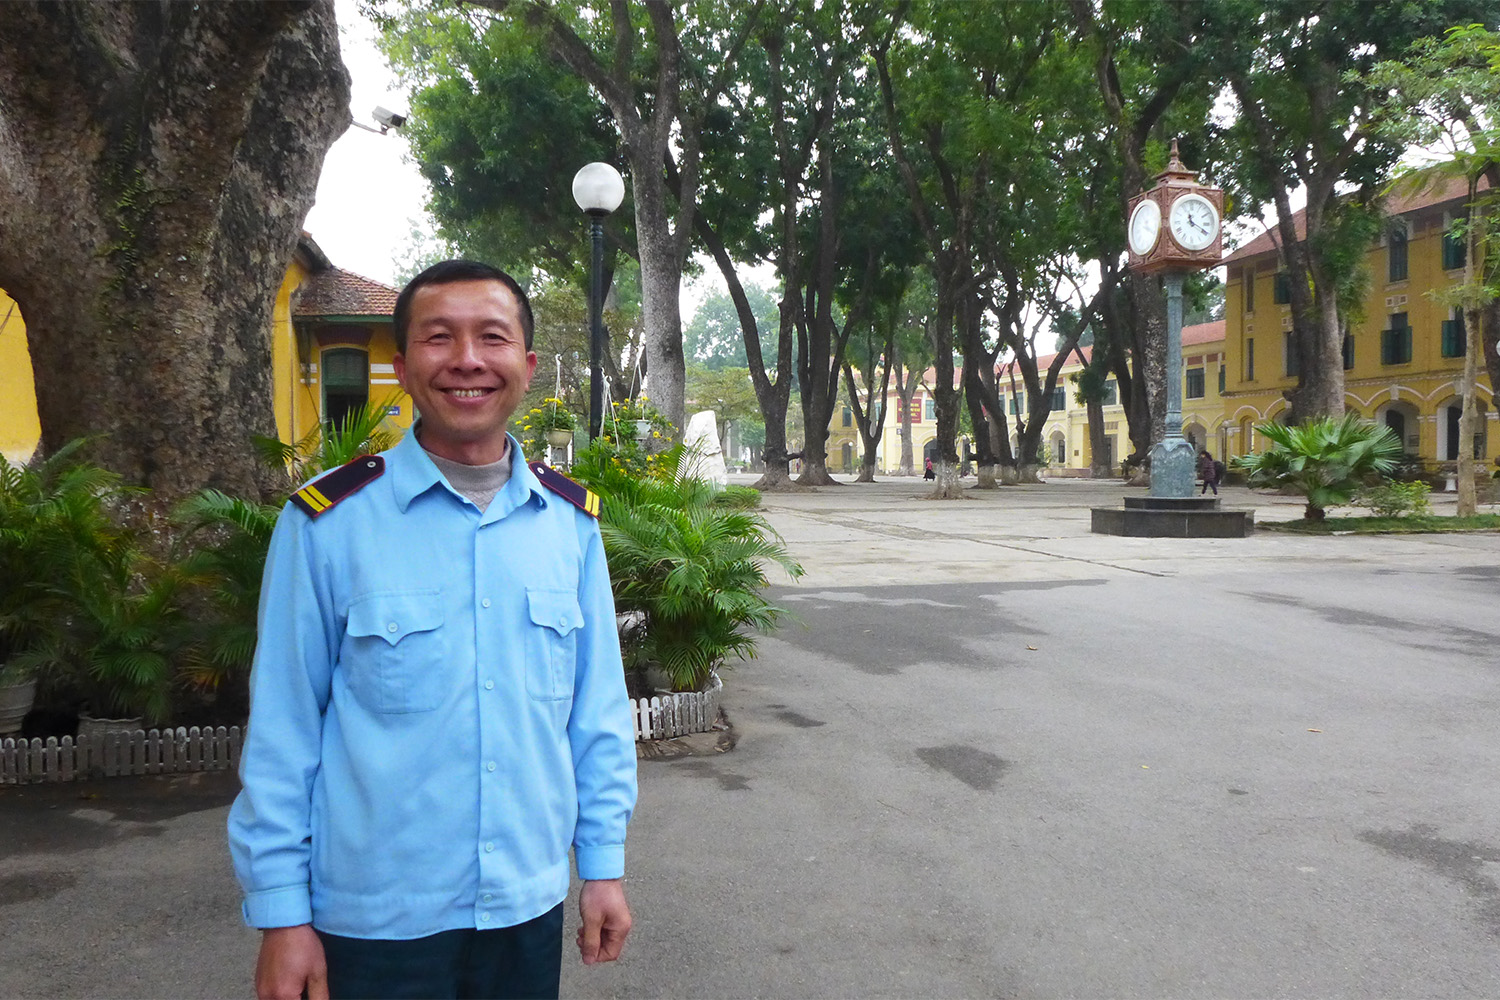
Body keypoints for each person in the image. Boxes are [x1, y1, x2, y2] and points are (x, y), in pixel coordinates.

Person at [228, 260, 638, 1000]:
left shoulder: (569, 526)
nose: (468, 361)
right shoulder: (329, 524)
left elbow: (597, 715)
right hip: (374, 921)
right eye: (439, 338)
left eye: (492, 338)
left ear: (528, 364)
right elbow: (284, 733)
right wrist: (282, 917)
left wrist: (602, 864)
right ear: (402, 366)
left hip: (524, 903)